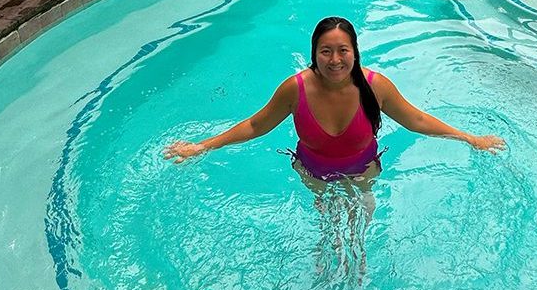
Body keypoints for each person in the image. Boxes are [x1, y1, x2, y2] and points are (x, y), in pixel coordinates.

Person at [163, 15, 506, 179]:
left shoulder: (376, 86)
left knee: (359, 230)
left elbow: (415, 119)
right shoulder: (295, 89)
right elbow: (256, 124)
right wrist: (201, 146)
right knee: (329, 234)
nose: (335, 60)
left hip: (365, 167)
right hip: (311, 169)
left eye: (343, 50)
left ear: (356, 52)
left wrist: (469, 138)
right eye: (325, 51)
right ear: (314, 54)